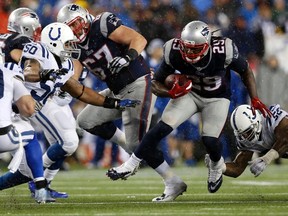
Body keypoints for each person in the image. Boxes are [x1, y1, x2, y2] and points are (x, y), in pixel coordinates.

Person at [106, 20, 271, 201]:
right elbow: (156, 83)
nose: (189, 52)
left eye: (195, 48)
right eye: (187, 47)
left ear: (207, 44)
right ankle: (132, 163)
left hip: (216, 97)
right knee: (161, 127)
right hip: (189, 94)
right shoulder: (174, 50)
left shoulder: (224, 50)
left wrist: (254, 97)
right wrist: (170, 92)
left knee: (209, 139)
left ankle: (216, 165)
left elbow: (246, 70)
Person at [17, 21, 140, 198]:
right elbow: (28, 71)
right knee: (66, 143)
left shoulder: (66, 64)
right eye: (67, 43)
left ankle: (42, 183)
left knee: (65, 144)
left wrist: (112, 103)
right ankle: (37, 179)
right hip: (21, 105)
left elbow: (80, 91)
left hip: (43, 104)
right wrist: (47, 74)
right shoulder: (39, 50)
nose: (71, 47)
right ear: (54, 41)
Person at [57, 3, 156, 154]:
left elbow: (139, 39)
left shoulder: (102, 23)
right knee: (85, 121)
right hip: (116, 90)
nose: (75, 28)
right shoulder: (73, 46)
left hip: (137, 82)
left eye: (76, 22)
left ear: (84, 16)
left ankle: (168, 174)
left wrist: (127, 58)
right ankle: (125, 144)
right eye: (70, 26)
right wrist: (67, 85)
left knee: (138, 144)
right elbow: (75, 73)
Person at [0, 7, 68, 199]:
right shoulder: (21, 42)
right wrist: (47, 74)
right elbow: (25, 69)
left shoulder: (3, 37)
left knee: (25, 169)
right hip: (7, 106)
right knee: (29, 136)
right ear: (28, 28)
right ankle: (40, 184)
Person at [0, 62, 54, 204]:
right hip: (3, 137)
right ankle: (40, 185)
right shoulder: (8, 72)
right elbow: (29, 110)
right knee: (30, 133)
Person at [205, 103, 288, 178]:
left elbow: (286, 139)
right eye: (242, 134)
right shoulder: (247, 140)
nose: (246, 137)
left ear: (256, 122)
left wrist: (266, 159)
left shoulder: (272, 118)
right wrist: (219, 166)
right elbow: (237, 168)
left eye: (248, 132)